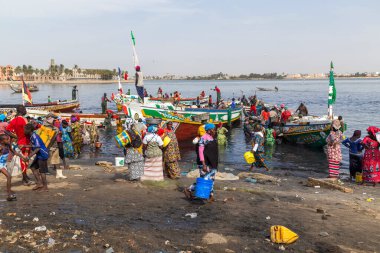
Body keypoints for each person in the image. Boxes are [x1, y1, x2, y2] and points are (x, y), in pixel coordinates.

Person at [185, 124, 218, 201]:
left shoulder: (212, 138)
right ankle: (189, 189)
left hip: (212, 163)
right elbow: (200, 152)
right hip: (205, 163)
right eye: (213, 129)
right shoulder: (203, 138)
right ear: (209, 130)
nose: (214, 130)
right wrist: (203, 164)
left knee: (211, 179)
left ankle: (210, 195)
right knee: (204, 179)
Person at [6, 105, 32, 185]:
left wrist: (15, 136)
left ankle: (25, 176)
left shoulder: (14, 120)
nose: (25, 110)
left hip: (19, 141)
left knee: (23, 160)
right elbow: (27, 131)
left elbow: (6, 130)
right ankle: (24, 179)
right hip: (25, 141)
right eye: (24, 109)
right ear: (22, 110)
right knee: (24, 160)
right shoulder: (24, 120)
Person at [24, 123, 49, 191]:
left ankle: (45, 187)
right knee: (33, 167)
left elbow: (37, 148)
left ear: (29, 130)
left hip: (43, 155)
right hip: (39, 155)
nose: (24, 130)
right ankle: (39, 183)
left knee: (42, 171)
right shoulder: (32, 136)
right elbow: (33, 146)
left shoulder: (34, 136)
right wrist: (24, 146)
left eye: (25, 129)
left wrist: (29, 157)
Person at [0, 134, 17, 201]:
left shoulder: (8, 145)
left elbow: (13, 151)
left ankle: (9, 194)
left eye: (8, 139)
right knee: (9, 176)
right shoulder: (0, 147)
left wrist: (22, 157)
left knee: (9, 177)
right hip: (0, 164)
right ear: (1, 141)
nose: (8, 140)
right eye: (6, 139)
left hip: (4, 164)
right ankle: (9, 195)